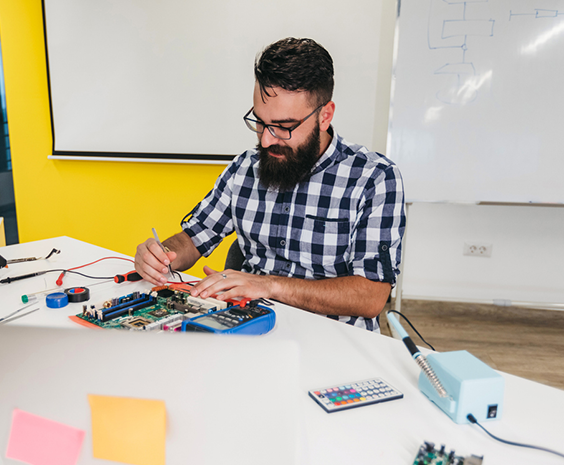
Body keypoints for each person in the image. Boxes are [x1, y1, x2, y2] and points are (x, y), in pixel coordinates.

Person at [135, 37, 405, 332]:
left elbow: (370, 297)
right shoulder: (245, 168)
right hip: (245, 327)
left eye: (284, 127)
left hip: (331, 338)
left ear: (325, 116)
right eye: (260, 122)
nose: (265, 140)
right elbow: (192, 239)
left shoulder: (374, 178)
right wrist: (161, 255)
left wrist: (268, 285)